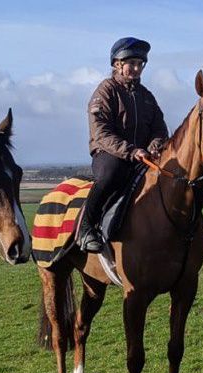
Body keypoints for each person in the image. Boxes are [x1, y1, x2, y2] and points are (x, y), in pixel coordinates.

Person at [76, 37, 168, 253]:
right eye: (132, 64)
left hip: (143, 155)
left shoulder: (147, 97)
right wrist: (130, 150)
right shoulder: (105, 91)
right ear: (117, 64)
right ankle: (87, 228)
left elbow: (159, 128)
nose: (136, 69)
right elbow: (101, 132)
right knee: (111, 173)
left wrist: (155, 145)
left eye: (140, 64)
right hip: (110, 153)